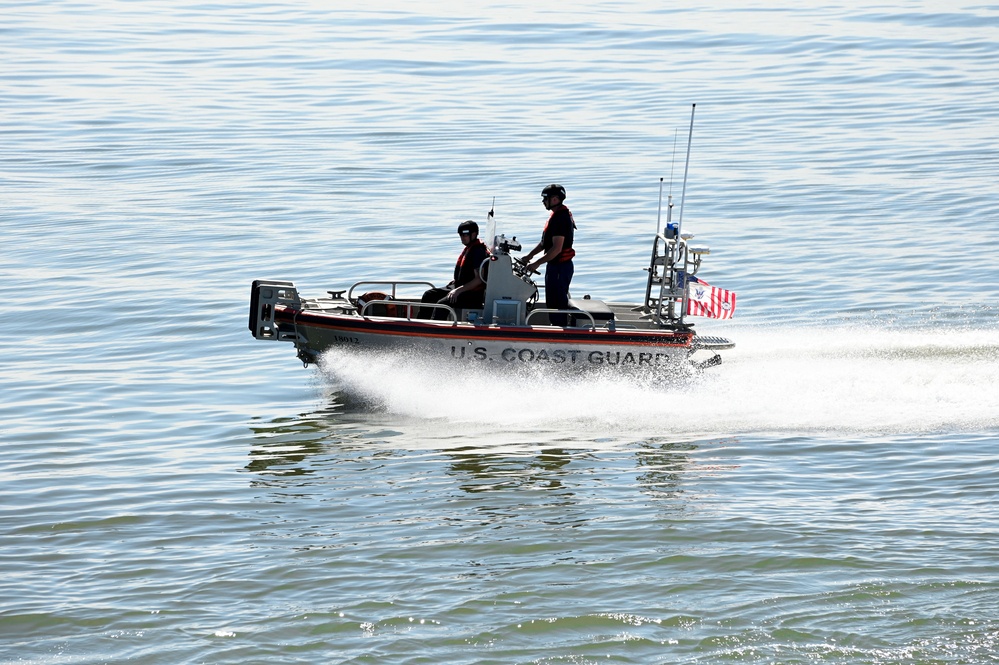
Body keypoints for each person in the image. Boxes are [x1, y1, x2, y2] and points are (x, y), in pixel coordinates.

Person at [522, 183, 576, 326]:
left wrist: (536, 263)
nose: (543, 201)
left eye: (545, 198)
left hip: (560, 268)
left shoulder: (561, 218)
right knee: (552, 302)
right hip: (554, 267)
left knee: (557, 303)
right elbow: (544, 243)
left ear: (555, 199)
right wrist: (529, 256)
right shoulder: (555, 216)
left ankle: (560, 333)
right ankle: (556, 329)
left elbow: (556, 249)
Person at [420, 220, 490, 320]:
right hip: (461, 288)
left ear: (474, 234)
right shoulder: (469, 248)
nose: (462, 237)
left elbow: (479, 280)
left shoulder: (478, 252)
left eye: (465, 234)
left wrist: (457, 290)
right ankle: (421, 324)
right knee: (429, 295)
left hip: (471, 295)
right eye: (460, 235)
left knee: (442, 304)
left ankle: (436, 330)